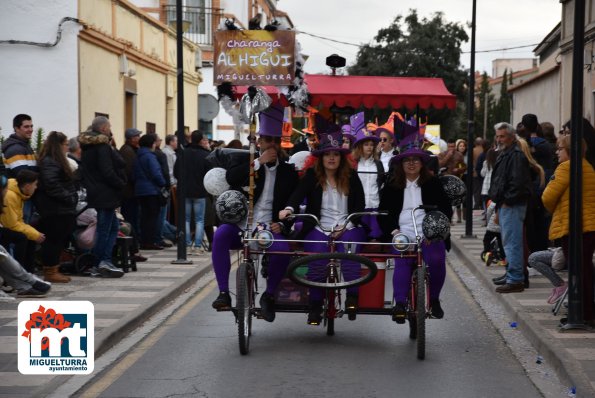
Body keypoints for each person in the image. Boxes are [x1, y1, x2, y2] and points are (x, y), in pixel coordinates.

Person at [213, 104, 299, 323]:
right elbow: (232, 178)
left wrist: (284, 224)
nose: (270, 145)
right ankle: (223, 292)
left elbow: (294, 203)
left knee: (283, 250)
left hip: (269, 227)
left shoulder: (288, 172)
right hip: (243, 223)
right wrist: (258, 163)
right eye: (266, 140)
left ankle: (269, 295)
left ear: (279, 144)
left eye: (274, 140)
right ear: (259, 142)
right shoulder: (247, 161)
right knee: (220, 235)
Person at [279, 114, 366, 325]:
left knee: (350, 253)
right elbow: (297, 195)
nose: (332, 158)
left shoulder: (352, 177)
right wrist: (288, 209)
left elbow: (360, 205)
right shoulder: (311, 176)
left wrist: (347, 226)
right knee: (317, 257)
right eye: (327, 154)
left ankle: (352, 298)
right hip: (318, 226)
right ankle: (316, 305)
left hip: (348, 224)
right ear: (321, 157)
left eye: (336, 154)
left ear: (341, 157)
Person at [378, 146, 452, 322]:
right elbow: (383, 214)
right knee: (402, 262)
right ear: (401, 164)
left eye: (416, 160)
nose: (411, 163)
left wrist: (434, 231)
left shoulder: (433, 183)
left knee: (437, 260)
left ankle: (434, 300)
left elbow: (445, 210)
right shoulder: (391, 185)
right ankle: (400, 304)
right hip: (402, 232)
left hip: (429, 231)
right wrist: (395, 232)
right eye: (406, 160)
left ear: (422, 164)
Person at [542, 134, 595, 321]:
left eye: (560, 148)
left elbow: (547, 197)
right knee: (584, 270)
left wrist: (555, 209)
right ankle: (585, 311)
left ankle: (582, 314)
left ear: (570, 151)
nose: (557, 152)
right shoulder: (587, 166)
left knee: (578, 271)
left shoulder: (566, 167)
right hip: (588, 226)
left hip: (573, 226)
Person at [79, 116, 126, 278]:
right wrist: (120, 183)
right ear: (104, 129)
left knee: (113, 227)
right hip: (106, 193)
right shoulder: (102, 147)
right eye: (109, 126)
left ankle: (103, 260)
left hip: (96, 191)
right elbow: (107, 171)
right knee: (105, 229)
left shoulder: (87, 147)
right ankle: (101, 262)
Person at [488, 122, 532, 293]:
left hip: (512, 204)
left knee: (512, 243)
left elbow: (518, 183)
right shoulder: (506, 154)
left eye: (502, 136)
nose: (499, 139)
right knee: (508, 242)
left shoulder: (516, 155)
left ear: (512, 137)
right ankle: (512, 275)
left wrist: (507, 201)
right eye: (497, 136)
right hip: (506, 203)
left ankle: (515, 279)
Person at [34, 131, 78, 283]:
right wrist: (69, 197)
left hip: (60, 207)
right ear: (58, 145)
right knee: (53, 240)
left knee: (58, 239)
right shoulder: (50, 161)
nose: (67, 147)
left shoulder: (54, 160)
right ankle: (50, 271)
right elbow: (51, 184)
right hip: (54, 208)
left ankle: (54, 269)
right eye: (65, 144)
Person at [174, 130, 212, 253]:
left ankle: (187, 244)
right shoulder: (205, 155)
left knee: (185, 219)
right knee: (199, 220)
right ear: (201, 140)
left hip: (184, 191)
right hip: (200, 191)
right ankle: (197, 246)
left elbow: (176, 172)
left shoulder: (183, 153)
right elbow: (209, 174)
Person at [0, 170, 45, 273]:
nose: (36, 187)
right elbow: (11, 225)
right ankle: (19, 272)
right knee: (22, 237)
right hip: (4, 228)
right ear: (28, 186)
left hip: (5, 227)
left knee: (29, 237)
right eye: (35, 185)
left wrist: (34, 234)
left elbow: (18, 221)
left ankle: (28, 272)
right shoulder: (10, 196)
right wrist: (34, 234)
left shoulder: (17, 194)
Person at [350, 112, 384, 240]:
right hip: (359, 208)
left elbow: (380, 183)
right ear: (359, 146)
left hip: (375, 206)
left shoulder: (378, 164)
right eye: (366, 144)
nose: (370, 147)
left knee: (375, 240)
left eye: (371, 144)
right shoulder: (353, 165)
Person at [134, 134, 166, 250]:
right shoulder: (150, 156)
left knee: (144, 217)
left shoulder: (138, 155)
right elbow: (156, 172)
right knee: (153, 217)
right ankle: (150, 241)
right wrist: (162, 183)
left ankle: (144, 240)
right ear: (151, 144)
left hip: (140, 190)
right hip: (151, 190)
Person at [119, 128, 142, 235]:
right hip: (129, 192)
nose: (139, 138)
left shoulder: (130, 149)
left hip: (130, 191)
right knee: (131, 217)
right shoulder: (128, 151)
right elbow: (130, 171)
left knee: (133, 217)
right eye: (138, 136)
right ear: (132, 138)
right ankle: (132, 241)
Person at [2, 114, 38, 178]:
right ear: (17, 129)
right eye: (26, 127)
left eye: (31, 126)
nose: (31, 129)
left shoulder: (25, 146)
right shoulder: (15, 149)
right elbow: (25, 179)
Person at [472, 137, 484, 209]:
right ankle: (482, 205)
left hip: (475, 173)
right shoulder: (484, 150)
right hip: (483, 173)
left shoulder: (473, 150)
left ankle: (476, 205)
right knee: (483, 189)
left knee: (476, 190)